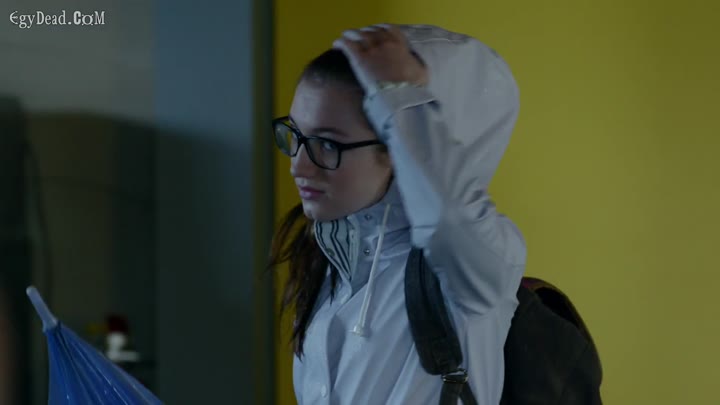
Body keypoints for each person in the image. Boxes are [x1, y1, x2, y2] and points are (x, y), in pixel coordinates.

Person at [269, 24, 526, 404]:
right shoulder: (332, 259)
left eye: (327, 143)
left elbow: (447, 221)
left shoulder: (473, 271)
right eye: (297, 135)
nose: (298, 165)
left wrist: (400, 94)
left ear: (398, 142)